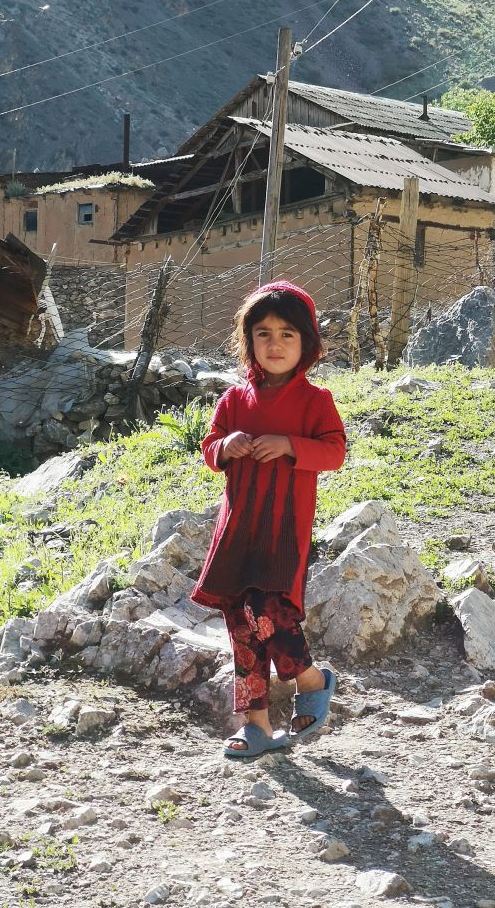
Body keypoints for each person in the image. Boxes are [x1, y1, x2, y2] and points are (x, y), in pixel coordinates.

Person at [190, 281, 346, 759]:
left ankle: (311, 679)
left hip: (283, 533)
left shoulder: (315, 401)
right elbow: (210, 449)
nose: (274, 344)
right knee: (240, 626)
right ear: (249, 341)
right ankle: (255, 726)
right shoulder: (234, 399)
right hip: (236, 532)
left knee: (267, 613)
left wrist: (290, 445)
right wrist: (226, 445)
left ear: (307, 344)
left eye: (287, 334)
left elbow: (334, 452)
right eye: (263, 334)